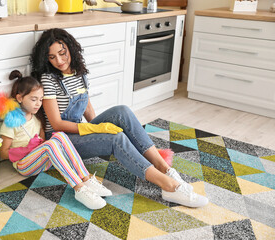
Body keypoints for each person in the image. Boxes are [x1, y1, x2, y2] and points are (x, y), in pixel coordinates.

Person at [30, 28, 209, 208]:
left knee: (121, 111)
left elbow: (87, 106)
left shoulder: (79, 72)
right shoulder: (48, 79)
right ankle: (168, 186)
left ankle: (165, 168)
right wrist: (96, 130)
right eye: (52, 57)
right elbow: (56, 123)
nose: (59, 61)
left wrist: (98, 126)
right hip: (62, 142)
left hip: (80, 131)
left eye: (62, 53)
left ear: (70, 48)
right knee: (117, 138)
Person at [0, 70, 112, 210]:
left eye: (40, 100)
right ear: (20, 98)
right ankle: (79, 189)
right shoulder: (11, 122)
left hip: (39, 160)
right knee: (50, 145)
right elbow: (2, 153)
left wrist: (39, 143)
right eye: (33, 99)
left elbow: (42, 141)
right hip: (24, 165)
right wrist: (27, 148)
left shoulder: (36, 118)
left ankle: (86, 178)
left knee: (60, 135)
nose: (38, 104)